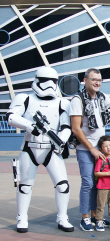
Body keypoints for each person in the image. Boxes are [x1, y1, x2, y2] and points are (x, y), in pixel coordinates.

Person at [7, 66, 74, 233]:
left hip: (51, 149)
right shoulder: (25, 99)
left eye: (53, 82)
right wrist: (30, 126)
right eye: (45, 81)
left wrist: (61, 141)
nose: (49, 85)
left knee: (63, 185)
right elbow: (11, 116)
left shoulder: (62, 103)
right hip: (29, 147)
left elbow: (66, 127)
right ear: (37, 80)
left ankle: (62, 217)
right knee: (24, 186)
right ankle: (22, 217)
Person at [70, 68, 110, 231]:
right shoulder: (78, 99)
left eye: (99, 80)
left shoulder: (101, 97)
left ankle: (97, 217)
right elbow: (76, 129)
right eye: (94, 79)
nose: (97, 82)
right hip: (85, 148)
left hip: (100, 149)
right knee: (88, 182)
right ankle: (85, 217)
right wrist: (93, 150)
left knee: (98, 184)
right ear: (85, 80)